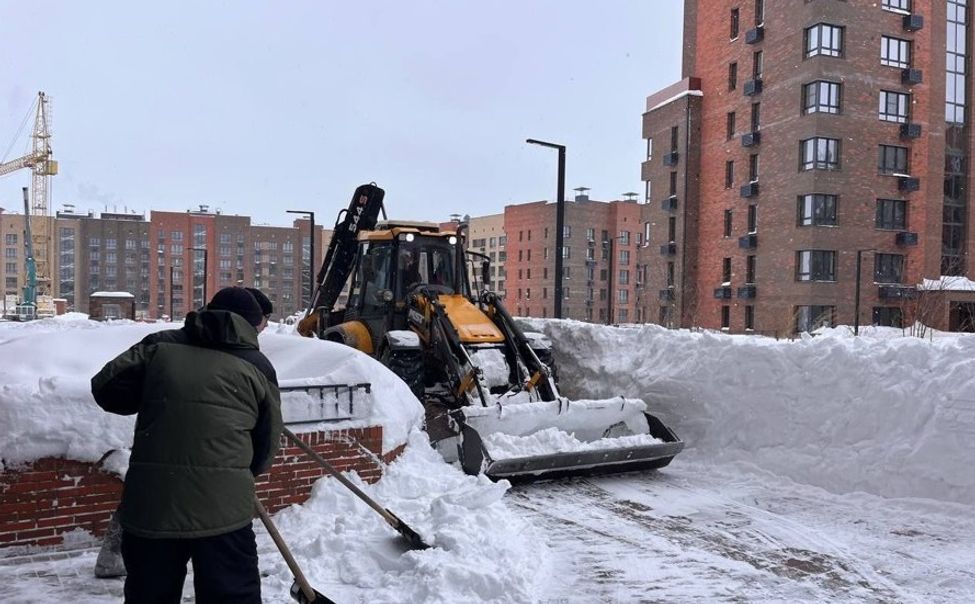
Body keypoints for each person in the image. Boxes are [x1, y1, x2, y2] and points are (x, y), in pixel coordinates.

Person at [91, 286, 282, 603]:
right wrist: (234, 474)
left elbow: (107, 390)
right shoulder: (257, 365)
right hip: (224, 511)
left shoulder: (161, 346)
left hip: (154, 507)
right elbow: (266, 447)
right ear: (250, 325)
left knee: (149, 595)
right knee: (231, 596)